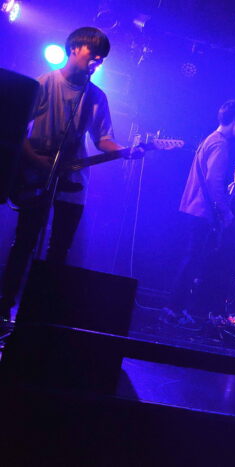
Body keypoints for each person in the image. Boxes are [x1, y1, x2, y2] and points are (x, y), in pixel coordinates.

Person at [0, 27, 126, 326]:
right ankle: (4, 305)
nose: (98, 60)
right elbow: (17, 131)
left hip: (72, 180)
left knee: (59, 249)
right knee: (25, 242)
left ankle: (39, 312)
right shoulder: (44, 84)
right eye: (93, 52)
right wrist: (37, 162)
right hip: (35, 174)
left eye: (102, 57)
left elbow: (103, 140)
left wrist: (125, 151)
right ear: (74, 48)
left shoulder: (96, 96)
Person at [164, 100, 235, 324]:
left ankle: (176, 308)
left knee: (191, 260)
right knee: (192, 262)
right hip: (202, 211)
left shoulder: (210, 139)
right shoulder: (221, 145)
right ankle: (174, 309)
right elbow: (214, 183)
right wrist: (226, 213)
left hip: (194, 208)